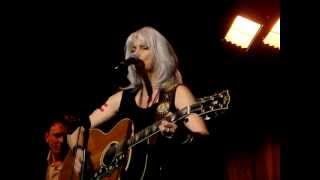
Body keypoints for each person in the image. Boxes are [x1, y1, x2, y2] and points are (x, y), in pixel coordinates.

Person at [67, 26, 209, 180]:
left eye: (144, 48)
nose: (136, 53)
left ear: (159, 54)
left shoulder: (177, 93)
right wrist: (79, 149)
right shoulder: (122, 97)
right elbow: (76, 132)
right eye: (133, 49)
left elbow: (204, 142)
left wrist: (180, 135)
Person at [44, 115, 69, 180]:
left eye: (64, 136)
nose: (62, 140)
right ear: (47, 137)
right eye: (57, 135)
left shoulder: (72, 163)